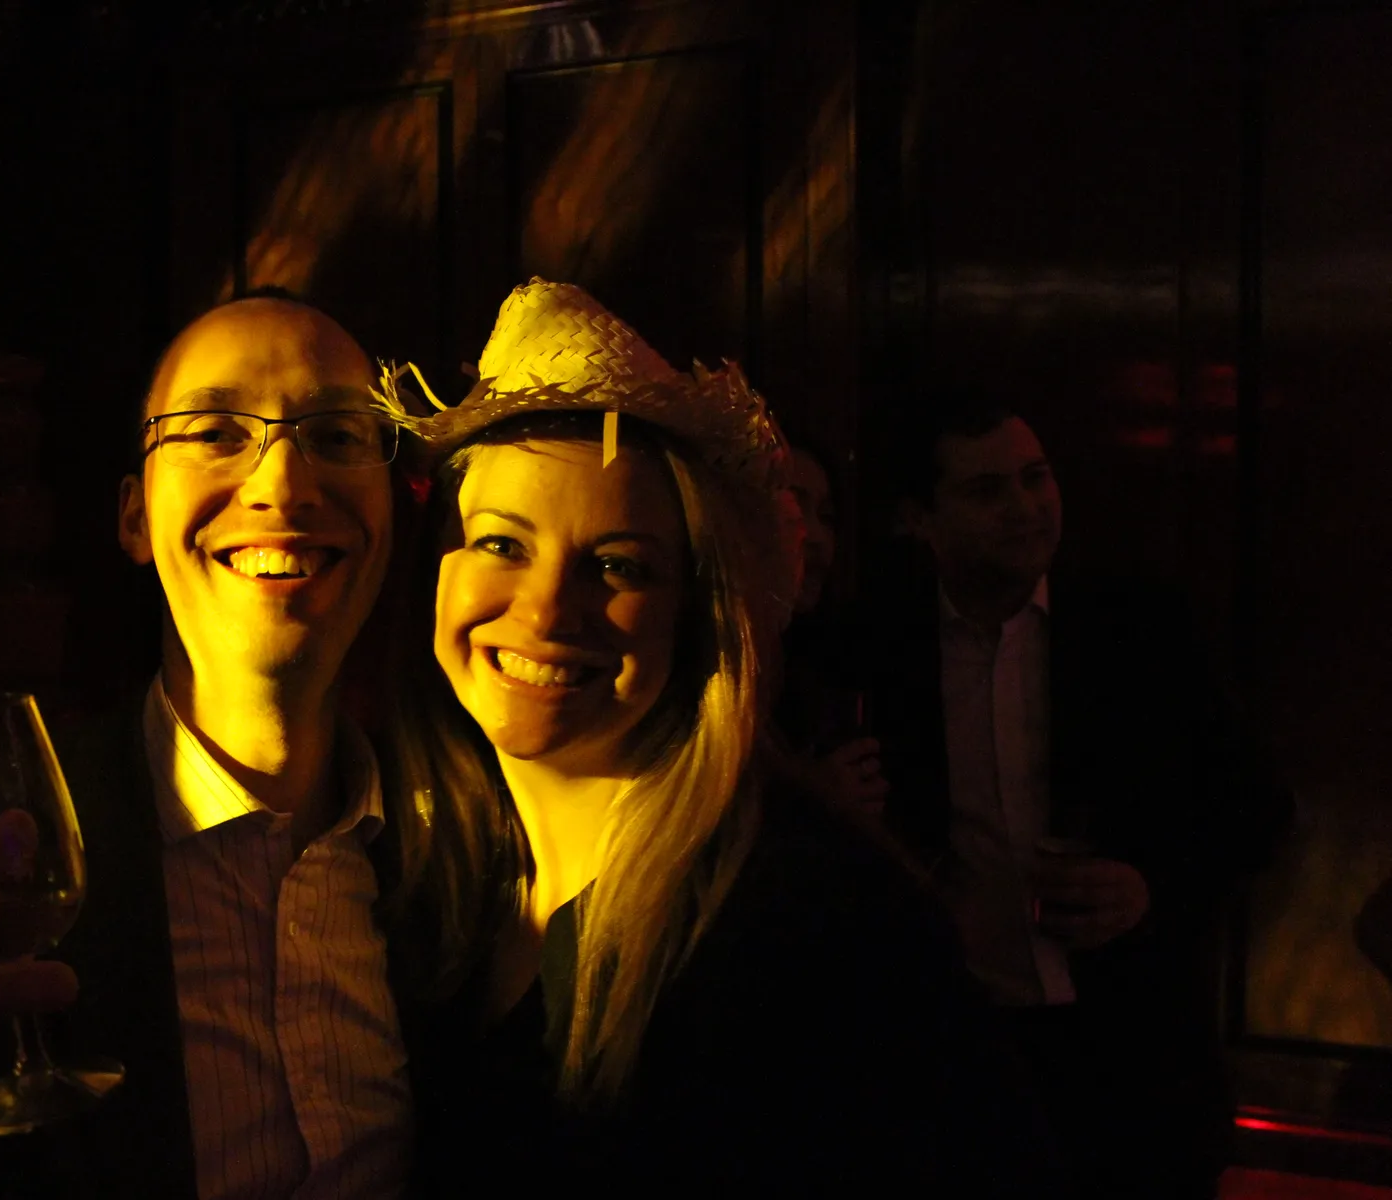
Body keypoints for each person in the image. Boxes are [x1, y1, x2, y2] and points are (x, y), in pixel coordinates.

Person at [372, 280, 1061, 1196]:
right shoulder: (419, 889)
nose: (545, 609)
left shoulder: (822, 925)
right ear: (437, 575)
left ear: (694, 613)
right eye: (502, 544)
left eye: (617, 564)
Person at [0, 294, 414, 1198]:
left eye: (335, 435)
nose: (282, 485)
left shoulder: (456, 858)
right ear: (133, 518)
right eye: (212, 432)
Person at [857, 391, 1292, 1199]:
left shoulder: (1140, 627)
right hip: (960, 1050)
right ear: (920, 518)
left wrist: (1149, 884)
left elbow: (1256, 809)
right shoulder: (877, 644)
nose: (1025, 508)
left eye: (1036, 478)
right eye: (987, 491)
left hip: (1132, 1051)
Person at [770, 432, 890, 823]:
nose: (816, 538)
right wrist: (805, 797)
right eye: (795, 505)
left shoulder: (832, 659)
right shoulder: (710, 668)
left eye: (826, 516)